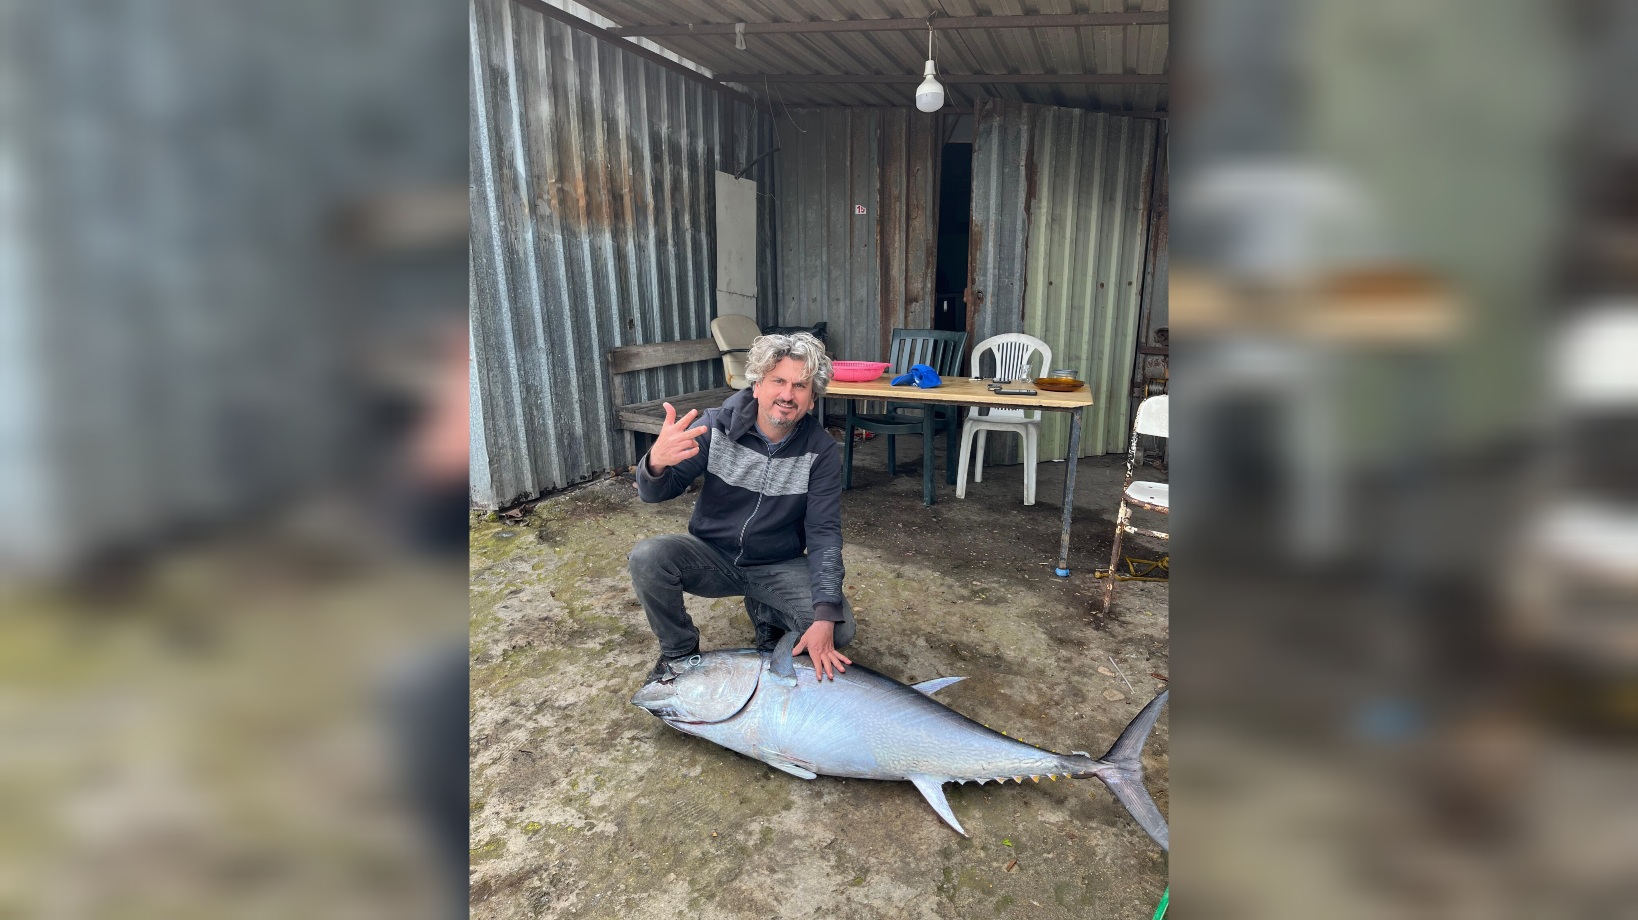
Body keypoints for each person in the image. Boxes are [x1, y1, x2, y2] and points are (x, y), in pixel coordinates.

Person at [628, 331, 855, 683]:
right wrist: (655, 463)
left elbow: (824, 533)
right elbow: (655, 493)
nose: (787, 394)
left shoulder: (821, 451)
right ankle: (679, 653)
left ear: (812, 399)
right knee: (648, 557)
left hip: (778, 563)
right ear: (757, 385)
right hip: (712, 557)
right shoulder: (714, 426)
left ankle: (768, 618)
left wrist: (825, 614)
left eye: (800, 386)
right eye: (778, 381)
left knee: (837, 631)